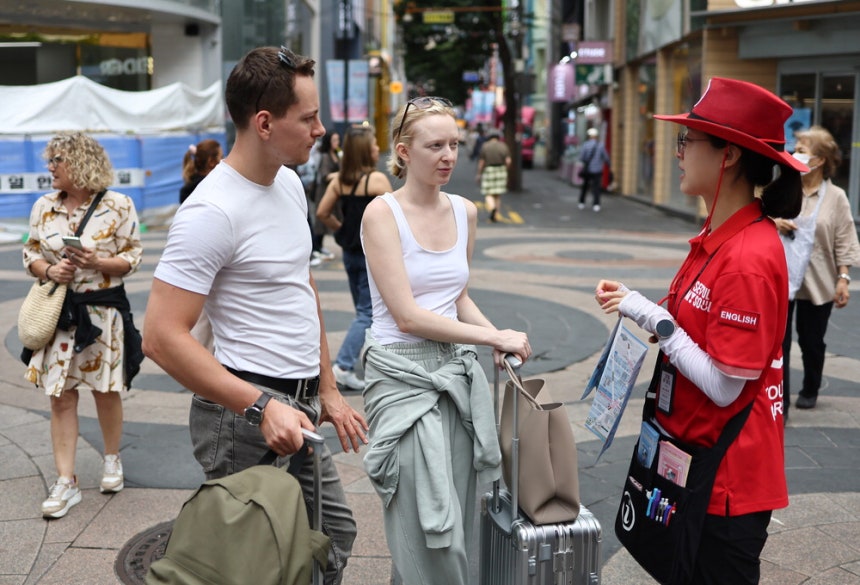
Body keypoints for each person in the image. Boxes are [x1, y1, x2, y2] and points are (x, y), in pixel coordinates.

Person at [141, 46, 368, 585]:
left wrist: (329, 389)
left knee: (332, 538)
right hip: (244, 416)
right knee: (256, 566)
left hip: (301, 404)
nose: (321, 129)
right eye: (309, 118)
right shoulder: (211, 210)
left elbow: (301, 287)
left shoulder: (288, 182)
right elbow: (160, 336)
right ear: (265, 123)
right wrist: (261, 406)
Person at [595, 77, 807, 584]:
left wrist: (653, 317)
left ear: (728, 154)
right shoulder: (720, 237)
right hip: (696, 467)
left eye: (687, 141)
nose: (678, 153)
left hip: (726, 482)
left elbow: (724, 383)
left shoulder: (747, 258)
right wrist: (651, 314)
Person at [360, 96, 532, 585]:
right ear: (403, 151)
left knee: (449, 515)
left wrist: (492, 339)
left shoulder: (465, 212)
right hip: (399, 371)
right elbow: (410, 317)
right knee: (430, 528)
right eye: (435, 145)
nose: (448, 155)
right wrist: (491, 335)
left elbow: (456, 298)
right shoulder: (381, 214)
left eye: (455, 144)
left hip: (455, 374)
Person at [23, 132, 143, 519]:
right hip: (62, 313)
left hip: (103, 312)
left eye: (57, 159)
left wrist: (98, 263)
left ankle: (112, 460)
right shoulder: (44, 206)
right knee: (60, 396)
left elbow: (133, 256)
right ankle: (66, 481)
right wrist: (49, 269)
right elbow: (30, 252)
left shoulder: (119, 205)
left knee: (106, 390)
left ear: (79, 161)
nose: (50, 167)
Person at [774, 126, 860, 412]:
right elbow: (759, 214)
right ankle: (781, 403)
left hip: (818, 282)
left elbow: (845, 238)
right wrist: (775, 222)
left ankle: (811, 386)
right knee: (779, 345)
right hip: (780, 280)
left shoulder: (836, 197)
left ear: (820, 160)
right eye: (795, 147)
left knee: (811, 342)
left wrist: (844, 279)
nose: (795, 153)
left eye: (803, 149)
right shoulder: (786, 187)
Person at [316, 125, 392, 391]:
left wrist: (343, 228)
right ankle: (344, 365)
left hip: (350, 253)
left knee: (364, 310)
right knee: (367, 313)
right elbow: (395, 217)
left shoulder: (340, 181)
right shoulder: (377, 181)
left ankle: (368, 359)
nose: (376, 149)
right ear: (364, 151)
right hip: (372, 255)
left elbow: (323, 212)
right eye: (373, 145)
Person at [312, 131, 341, 262]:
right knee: (321, 222)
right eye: (334, 140)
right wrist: (340, 175)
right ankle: (317, 247)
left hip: (333, 192)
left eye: (338, 140)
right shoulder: (325, 156)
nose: (337, 143)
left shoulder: (337, 154)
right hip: (324, 192)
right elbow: (324, 175)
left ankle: (319, 246)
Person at [476, 129, 511, 222]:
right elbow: (508, 161)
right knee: (497, 195)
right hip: (501, 169)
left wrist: (479, 174)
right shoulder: (503, 146)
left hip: (489, 169)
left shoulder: (485, 146)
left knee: (488, 193)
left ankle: (492, 208)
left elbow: (481, 162)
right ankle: (496, 215)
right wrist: (505, 170)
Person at [179, 139, 223, 204]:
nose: (224, 161)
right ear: (211, 162)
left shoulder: (187, 189)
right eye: (221, 157)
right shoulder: (212, 188)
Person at [578, 127, 610, 212]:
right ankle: (596, 204)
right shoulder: (601, 145)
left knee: (585, 186)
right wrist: (607, 164)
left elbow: (581, 157)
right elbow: (606, 157)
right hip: (597, 170)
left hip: (587, 169)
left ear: (589, 136)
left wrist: (587, 161)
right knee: (596, 187)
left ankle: (581, 202)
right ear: (596, 136)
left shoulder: (585, 145)